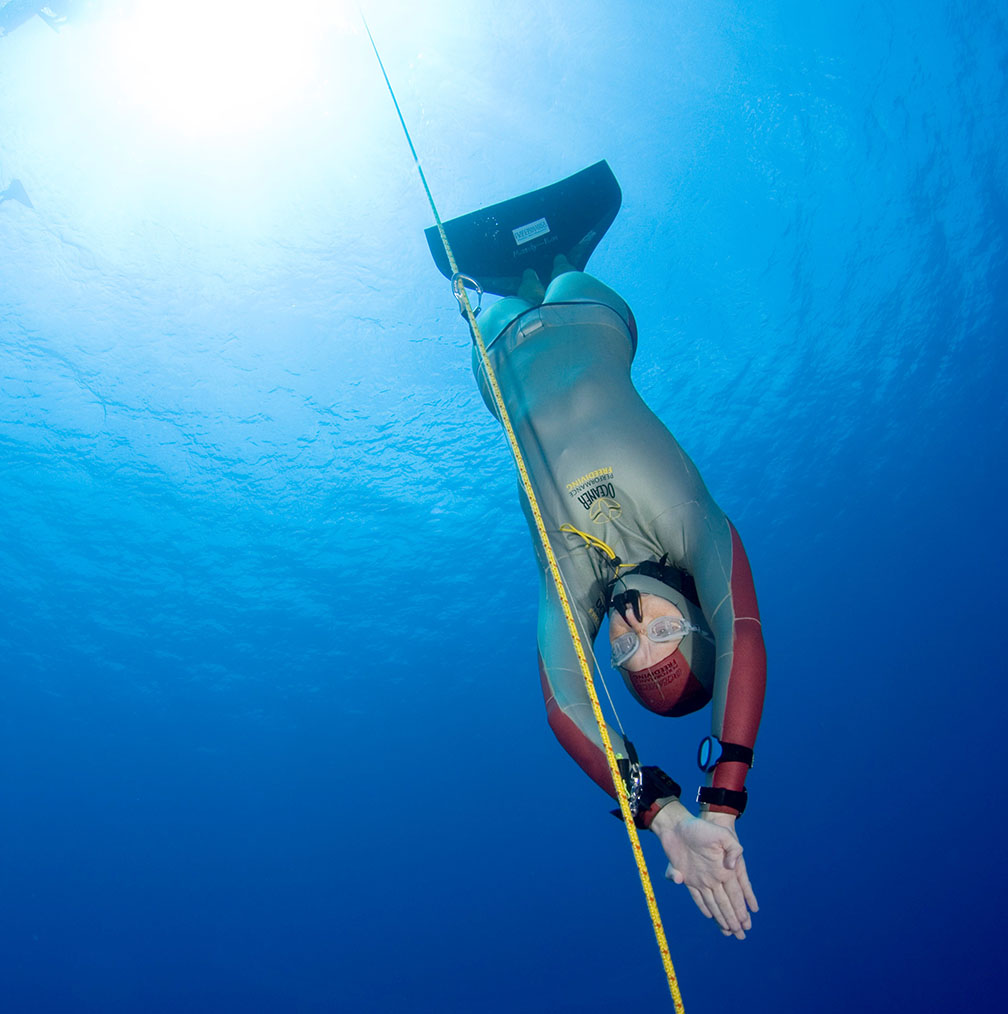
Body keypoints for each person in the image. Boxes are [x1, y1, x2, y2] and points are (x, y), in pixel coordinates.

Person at [431, 163, 767, 940]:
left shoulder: (571, 581)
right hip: (590, 318)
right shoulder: (692, 528)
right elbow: (747, 633)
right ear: (695, 615)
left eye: (622, 650)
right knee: (565, 274)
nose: (627, 628)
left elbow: (563, 702)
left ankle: (510, 269)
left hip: (500, 359)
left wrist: (662, 814)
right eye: (661, 633)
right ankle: (561, 249)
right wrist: (721, 799)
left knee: (501, 299)